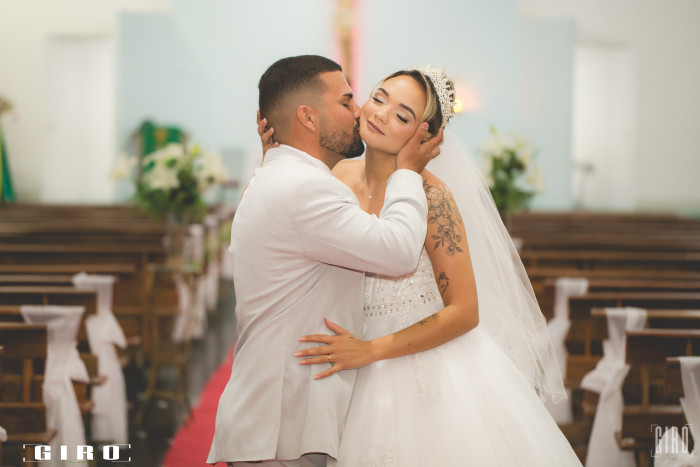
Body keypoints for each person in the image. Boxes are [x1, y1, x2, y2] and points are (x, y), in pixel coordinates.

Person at [288, 66, 584, 466]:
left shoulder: (434, 198)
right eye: (379, 98)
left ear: (425, 136)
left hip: (422, 366)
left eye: (402, 115)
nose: (380, 114)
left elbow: (465, 311)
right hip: (347, 356)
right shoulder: (338, 175)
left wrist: (370, 351)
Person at [207, 55, 443, 467]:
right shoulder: (305, 188)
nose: (360, 111)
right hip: (282, 427)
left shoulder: (277, 176)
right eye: (347, 101)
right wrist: (408, 172)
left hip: (283, 419)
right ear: (308, 118)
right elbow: (400, 251)